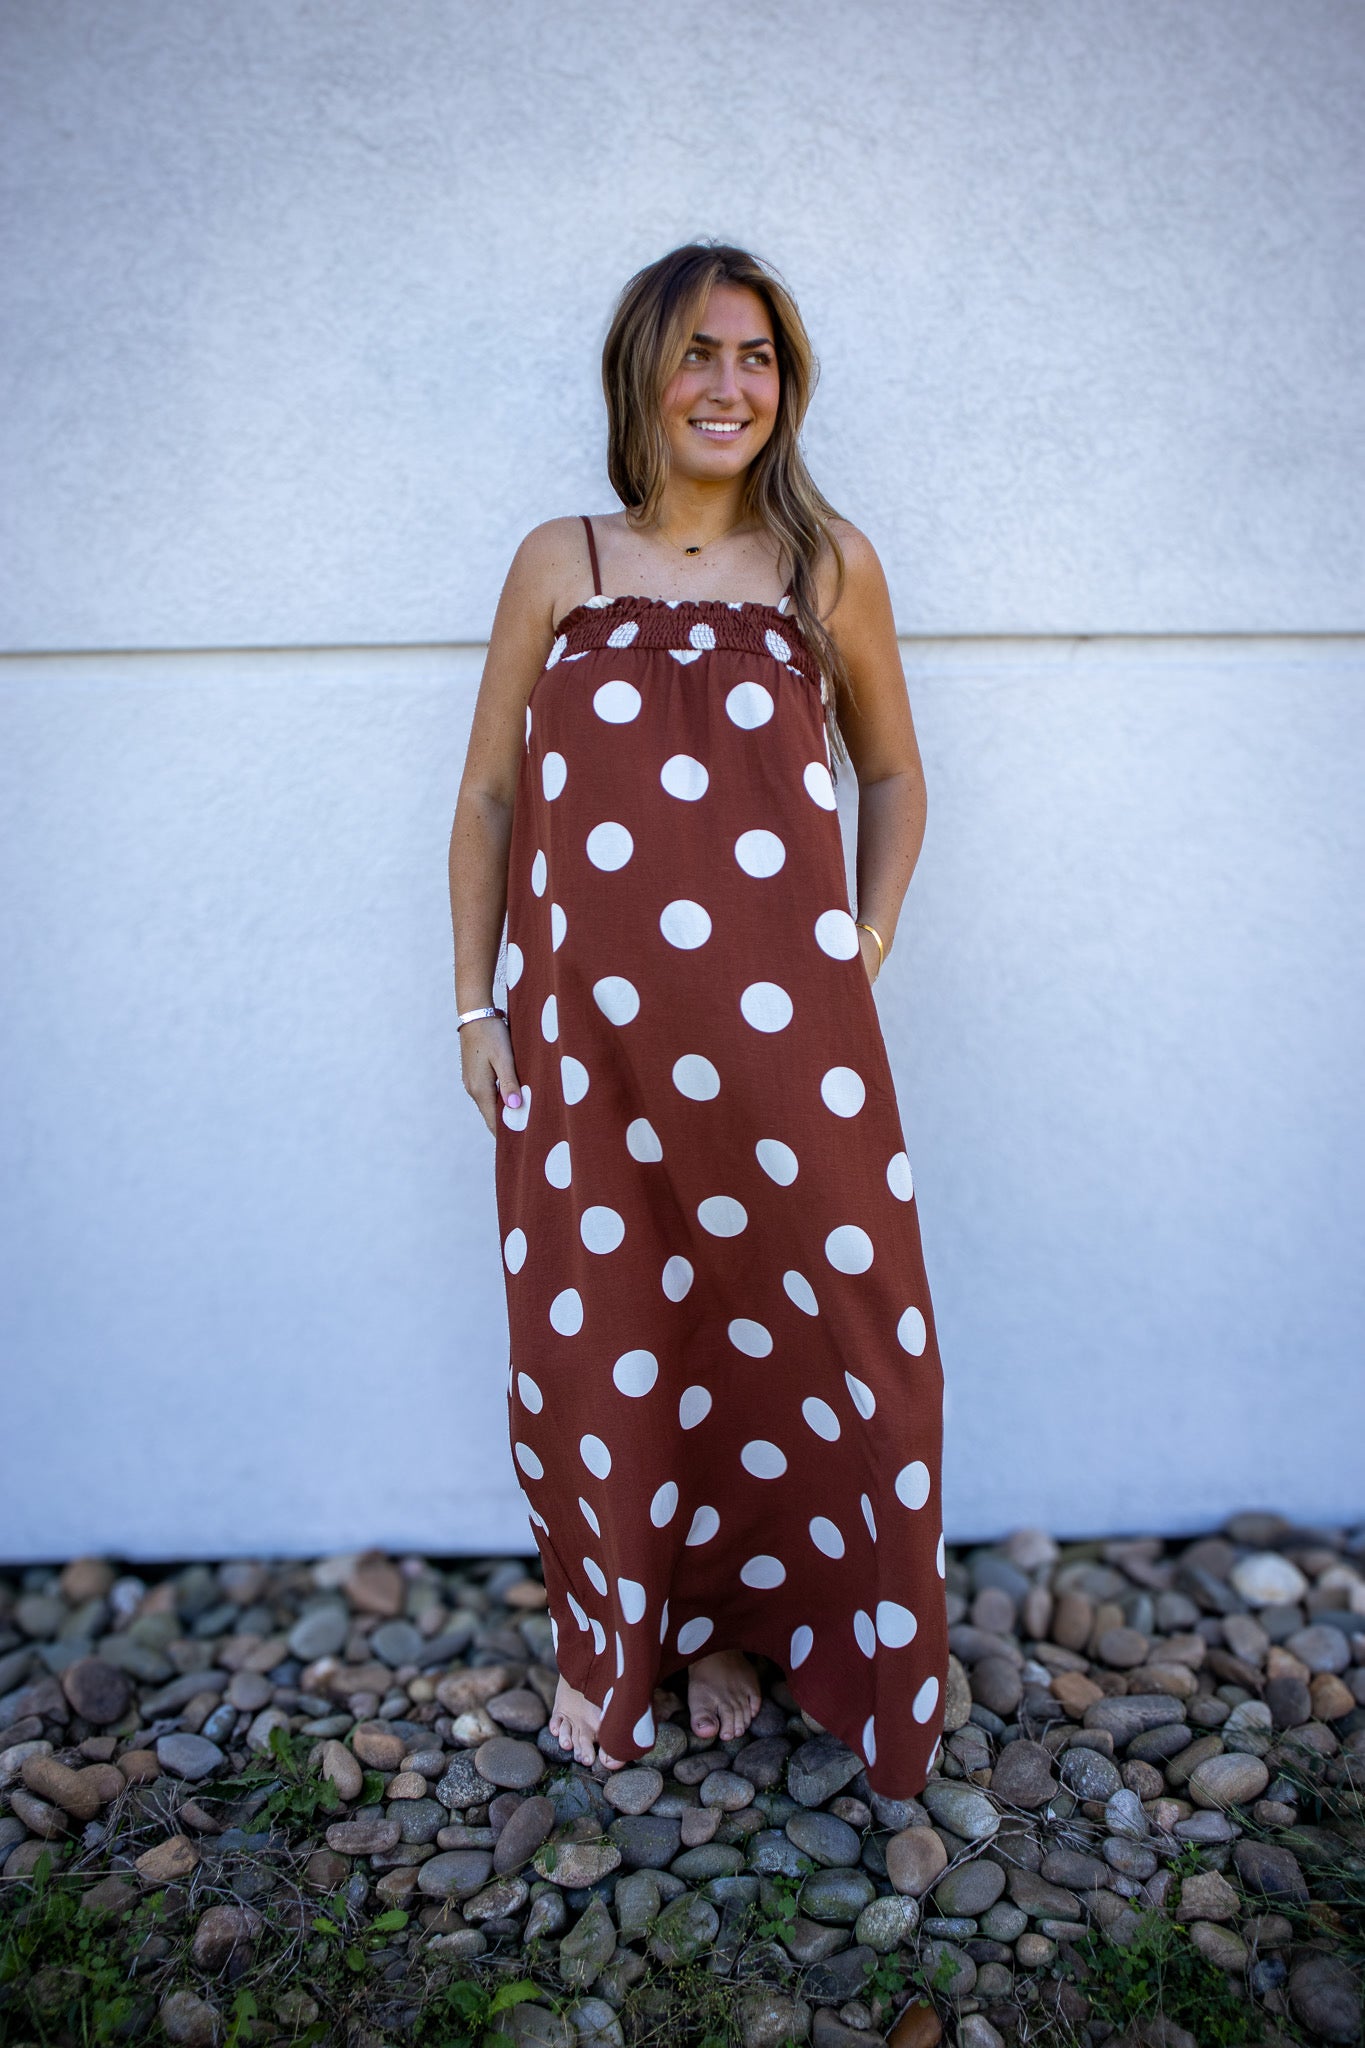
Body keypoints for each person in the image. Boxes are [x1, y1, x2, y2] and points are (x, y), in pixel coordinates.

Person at [448, 242, 947, 1798]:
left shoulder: (826, 565)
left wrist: (856, 945)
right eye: (697, 355)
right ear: (642, 377)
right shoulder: (561, 563)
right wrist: (475, 1000)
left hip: (786, 1048)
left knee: (816, 1332)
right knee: (608, 1341)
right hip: (584, 1055)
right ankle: (621, 1637)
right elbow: (486, 795)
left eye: (756, 358)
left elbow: (894, 774)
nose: (728, 386)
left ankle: (761, 1628)